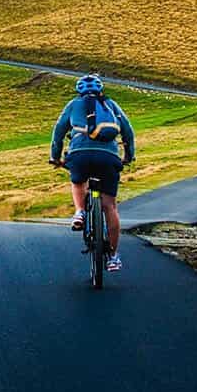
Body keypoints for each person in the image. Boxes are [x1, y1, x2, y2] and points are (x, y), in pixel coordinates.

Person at [49, 74, 135, 273]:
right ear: (101, 90)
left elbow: (58, 132)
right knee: (110, 206)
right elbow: (128, 132)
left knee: (78, 182)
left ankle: (80, 211)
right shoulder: (111, 105)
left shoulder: (73, 104)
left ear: (79, 91)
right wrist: (128, 156)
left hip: (80, 154)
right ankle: (113, 257)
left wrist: (55, 157)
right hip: (108, 156)